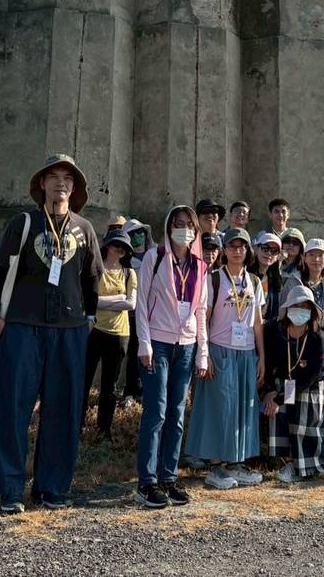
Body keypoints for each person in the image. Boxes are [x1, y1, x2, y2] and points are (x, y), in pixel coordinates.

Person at [0, 154, 104, 513]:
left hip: (69, 331)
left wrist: (88, 319)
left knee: (63, 411)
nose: (60, 183)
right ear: (41, 183)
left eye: (67, 178)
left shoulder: (84, 228)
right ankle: (10, 490)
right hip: (23, 327)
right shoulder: (24, 223)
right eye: (53, 176)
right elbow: (1, 270)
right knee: (13, 408)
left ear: (75, 187)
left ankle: (52, 488)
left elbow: (92, 278)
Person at [134, 204, 209, 509]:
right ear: (168, 226)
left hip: (187, 346)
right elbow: (141, 303)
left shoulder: (200, 265)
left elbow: (201, 311)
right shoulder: (155, 258)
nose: (184, 229)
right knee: (157, 412)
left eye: (189, 224)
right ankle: (147, 482)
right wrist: (144, 343)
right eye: (178, 223)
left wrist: (202, 353)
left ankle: (168, 476)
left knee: (177, 414)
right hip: (158, 343)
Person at [184, 227, 264, 490]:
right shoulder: (215, 278)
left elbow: (257, 323)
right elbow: (204, 318)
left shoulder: (254, 281)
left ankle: (236, 462)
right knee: (220, 408)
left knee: (243, 409)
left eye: (242, 246)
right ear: (224, 250)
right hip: (220, 350)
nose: (237, 251)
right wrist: (204, 353)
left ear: (248, 250)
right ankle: (215, 467)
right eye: (232, 246)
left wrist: (261, 357)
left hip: (246, 352)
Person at [264, 284, 324, 482]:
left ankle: (318, 463)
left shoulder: (317, 336)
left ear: (312, 311)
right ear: (288, 308)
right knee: (277, 411)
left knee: (304, 415)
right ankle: (288, 462)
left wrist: (281, 398)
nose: (300, 310)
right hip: (284, 384)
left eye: (305, 307)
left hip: (310, 387)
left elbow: (313, 374)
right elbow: (269, 364)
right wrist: (271, 392)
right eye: (296, 306)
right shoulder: (276, 331)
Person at [81, 229, 138, 440]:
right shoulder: (95, 269)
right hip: (93, 331)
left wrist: (101, 303)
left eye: (124, 247)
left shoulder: (129, 273)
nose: (119, 249)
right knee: (84, 381)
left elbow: (131, 304)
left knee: (110, 386)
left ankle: (104, 431)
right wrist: (118, 299)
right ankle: (77, 426)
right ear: (107, 246)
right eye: (116, 244)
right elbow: (88, 300)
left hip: (119, 335)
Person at [281, 238, 324, 376]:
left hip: (318, 344)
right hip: (294, 341)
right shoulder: (293, 281)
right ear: (304, 258)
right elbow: (283, 312)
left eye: (320, 255)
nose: (316, 259)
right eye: (312, 255)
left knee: (318, 381)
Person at [118, 218, 153, 407]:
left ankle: (145, 390)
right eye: (133, 234)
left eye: (141, 232)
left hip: (153, 314)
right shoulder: (124, 261)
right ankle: (130, 391)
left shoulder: (155, 255)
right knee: (133, 353)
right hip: (131, 314)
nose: (138, 236)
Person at [251, 231, 284, 319]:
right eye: (265, 248)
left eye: (274, 251)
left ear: (278, 256)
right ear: (256, 249)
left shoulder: (276, 280)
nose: (269, 253)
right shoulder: (246, 276)